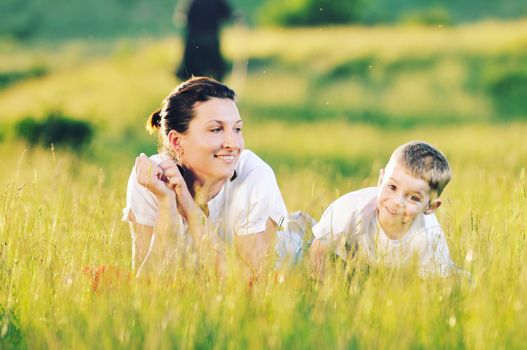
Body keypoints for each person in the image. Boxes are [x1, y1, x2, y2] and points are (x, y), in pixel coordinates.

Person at [122, 77, 295, 278]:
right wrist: (166, 205)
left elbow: (253, 286)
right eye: (216, 129)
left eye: (237, 129)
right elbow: (147, 288)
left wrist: (188, 207)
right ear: (177, 141)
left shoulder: (254, 176)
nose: (233, 143)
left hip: (297, 257)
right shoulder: (151, 179)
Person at [309, 141, 458, 279]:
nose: (397, 202)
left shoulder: (430, 235)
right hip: (346, 259)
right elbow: (319, 251)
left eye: (413, 198)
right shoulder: (350, 211)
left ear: (430, 207)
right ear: (381, 180)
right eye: (392, 187)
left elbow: (434, 285)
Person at [175, 0, 232, 81]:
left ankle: (196, 89)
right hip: (209, 38)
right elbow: (227, 15)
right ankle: (214, 88)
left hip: (195, 39)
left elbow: (184, 17)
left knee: (193, 69)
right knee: (215, 69)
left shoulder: (192, 1)